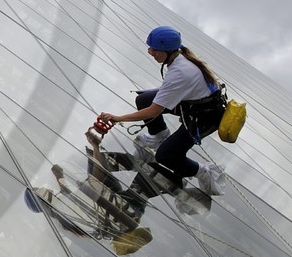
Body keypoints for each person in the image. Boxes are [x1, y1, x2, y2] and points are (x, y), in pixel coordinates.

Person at [97, 26, 227, 195]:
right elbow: (170, 92)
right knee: (144, 98)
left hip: (203, 119)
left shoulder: (180, 71)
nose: (150, 52)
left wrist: (118, 118)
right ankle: (159, 136)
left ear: (167, 50)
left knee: (166, 156)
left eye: (154, 49)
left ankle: (203, 172)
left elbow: (153, 112)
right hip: (195, 107)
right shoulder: (180, 59)